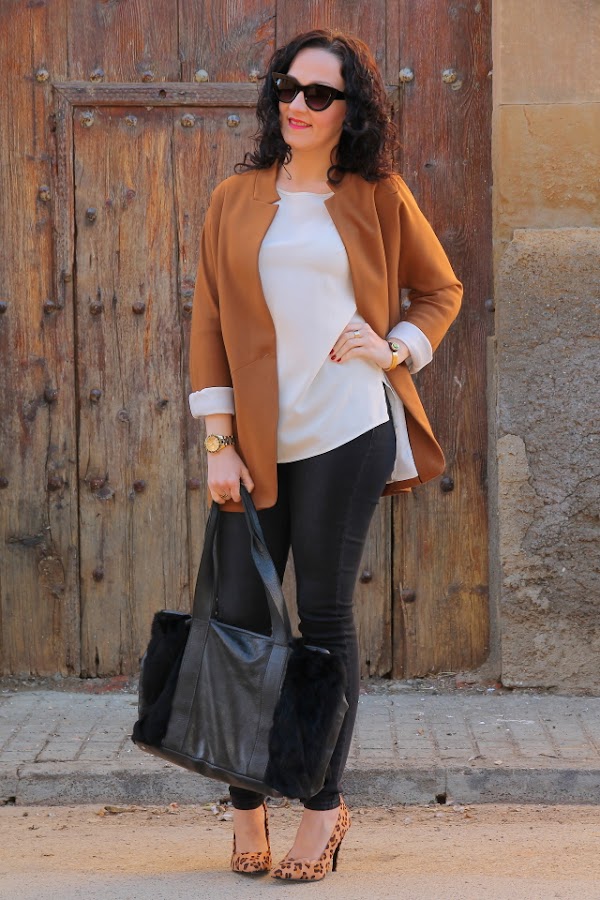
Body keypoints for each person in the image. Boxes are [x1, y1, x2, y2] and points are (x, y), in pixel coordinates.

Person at [188, 29, 462, 882]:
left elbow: (441, 289)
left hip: (347, 427)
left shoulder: (377, 194)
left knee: (326, 619)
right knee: (239, 617)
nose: (297, 105)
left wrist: (395, 347)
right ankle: (245, 804)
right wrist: (219, 442)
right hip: (256, 442)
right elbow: (208, 323)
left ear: (352, 109)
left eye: (319, 94)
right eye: (286, 86)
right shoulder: (235, 197)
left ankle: (321, 807)